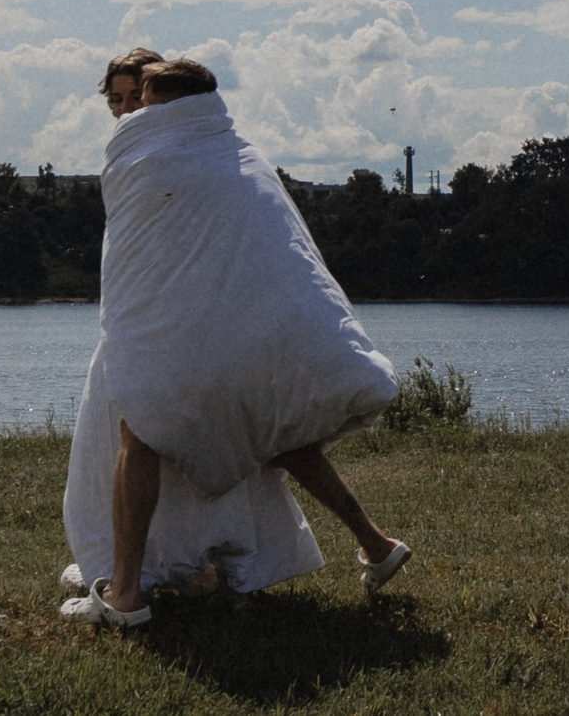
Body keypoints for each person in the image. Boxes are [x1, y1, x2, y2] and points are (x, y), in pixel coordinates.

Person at [60, 54, 412, 627]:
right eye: (116, 102)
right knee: (275, 436)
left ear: (165, 102)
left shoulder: (162, 158)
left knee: (144, 431)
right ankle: (372, 542)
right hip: (217, 326)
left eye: (136, 100)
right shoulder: (229, 151)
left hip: (175, 334)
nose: (126, 112)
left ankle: (125, 594)